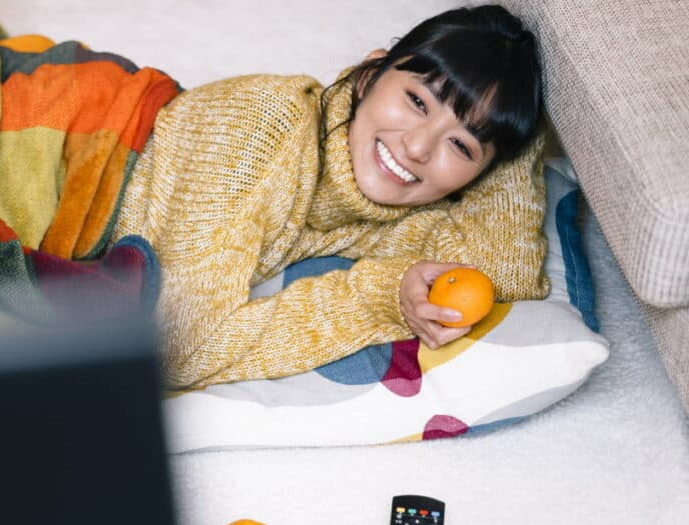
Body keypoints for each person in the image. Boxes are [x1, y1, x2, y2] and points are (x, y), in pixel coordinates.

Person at [107, 4, 549, 389]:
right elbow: (178, 347)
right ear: (368, 76)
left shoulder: (389, 213)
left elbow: (502, 276)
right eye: (417, 101)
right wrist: (380, 298)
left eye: (461, 146)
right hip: (71, 156)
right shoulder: (266, 121)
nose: (417, 148)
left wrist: (516, 138)